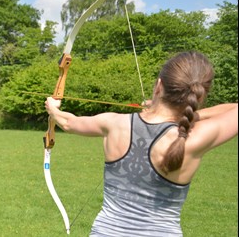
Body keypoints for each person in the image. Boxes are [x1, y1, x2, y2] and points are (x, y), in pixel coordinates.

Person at [44, 51, 238, 236]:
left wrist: (53, 109)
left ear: (159, 86)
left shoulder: (114, 123)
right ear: (200, 95)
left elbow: (68, 122)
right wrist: (191, 114)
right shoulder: (194, 138)